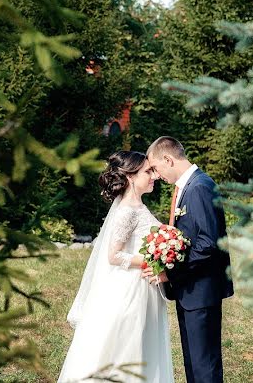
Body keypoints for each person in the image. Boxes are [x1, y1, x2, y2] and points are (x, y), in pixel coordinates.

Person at [58, 151, 175, 383]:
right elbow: (114, 255)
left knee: (143, 346)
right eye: (147, 171)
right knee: (127, 347)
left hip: (144, 288)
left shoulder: (137, 205)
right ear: (130, 176)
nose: (153, 176)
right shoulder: (127, 211)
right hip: (131, 290)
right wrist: (152, 260)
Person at [142, 137, 234, 383]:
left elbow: (207, 244)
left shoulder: (199, 187)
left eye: (156, 168)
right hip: (191, 290)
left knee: (204, 364)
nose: (157, 175)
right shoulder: (190, 186)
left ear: (168, 159)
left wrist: (169, 272)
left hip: (201, 290)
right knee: (193, 361)